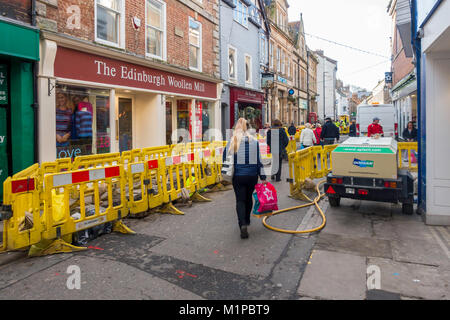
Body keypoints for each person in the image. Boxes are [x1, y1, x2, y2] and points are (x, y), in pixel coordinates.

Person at [223, 118, 266, 239]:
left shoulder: (233, 141)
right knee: (248, 198)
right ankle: (247, 219)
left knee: (240, 200)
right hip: (252, 175)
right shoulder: (254, 141)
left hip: (238, 176)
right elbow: (259, 161)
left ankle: (242, 224)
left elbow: (225, 158)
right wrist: (262, 176)